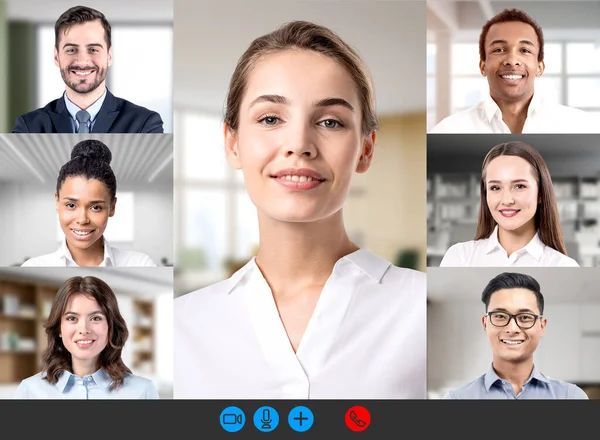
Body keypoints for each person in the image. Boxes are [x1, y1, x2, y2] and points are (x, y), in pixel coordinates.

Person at [173, 20, 426, 399]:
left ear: (365, 150)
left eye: (330, 122)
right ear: (232, 142)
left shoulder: (418, 309)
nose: (299, 144)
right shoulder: (183, 323)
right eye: (270, 119)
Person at [430, 8, 596, 134]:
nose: (512, 60)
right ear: (483, 66)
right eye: (499, 50)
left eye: (524, 50)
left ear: (540, 67)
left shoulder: (581, 126)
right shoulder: (448, 130)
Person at [12, 6, 163, 133]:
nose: (83, 61)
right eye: (71, 50)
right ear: (56, 56)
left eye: (93, 49)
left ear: (109, 55)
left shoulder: (144, 124)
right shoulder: (29, 127)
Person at [444, 272, 588, 399]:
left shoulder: (571, 396)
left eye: (525, 317)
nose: (512, 329)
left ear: (542, 326)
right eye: (500, 316)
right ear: (485, 324)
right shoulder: (456, 398)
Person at [14, 276, 159, 399]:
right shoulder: (30, 391)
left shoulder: (142, 391)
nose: (84, 329)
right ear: (59, 328)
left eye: (96, 318)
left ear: (111, 327)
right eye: (72, 318)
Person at [440, 141, 578, 267]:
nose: (506, 200)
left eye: (519, 186)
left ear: (540, 193)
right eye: (495, 188)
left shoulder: (563, 265)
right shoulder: (460, 257)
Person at [21, 139, 156, 267]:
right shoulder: (32, 266)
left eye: (96, 207)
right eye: (71, 205)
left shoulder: (140, 263)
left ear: (112, 207)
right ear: (57, 202)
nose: (82, 219)